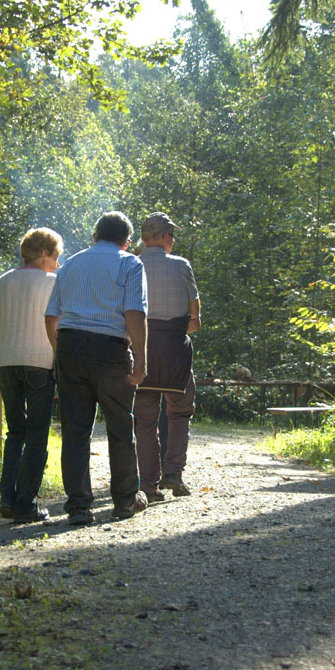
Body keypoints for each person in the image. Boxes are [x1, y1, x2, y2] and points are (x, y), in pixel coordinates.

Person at [44, 211, 148, 525]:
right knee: (119, 424)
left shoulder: (71, 264)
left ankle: (78, 506)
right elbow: (134, 312)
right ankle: (124, 501)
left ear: (94, 236)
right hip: (110, 349)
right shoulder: (130, 263)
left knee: (75, 430)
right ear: (127, 241)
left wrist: (59, 352)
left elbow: (51, 316)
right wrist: (141, 358)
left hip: (70, 345)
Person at [0, 228, 63, 523]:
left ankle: (7, 498)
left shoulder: (3, 280)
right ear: (43, 253)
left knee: (15, 433)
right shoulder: (53, 283)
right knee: (36, 436)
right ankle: (25, 504)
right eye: (56, 256)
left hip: (5, 364)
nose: (58, 263)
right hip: (40, 365)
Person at [133, 212, 201, 501]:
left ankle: (148, 485)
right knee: (180, 412)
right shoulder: (181, 266)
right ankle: (173, 471)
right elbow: (195, 319)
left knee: (145, 418)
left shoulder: (131, 265)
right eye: (171, 236)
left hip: (142, 352)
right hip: (175, 351)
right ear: (165, 237)